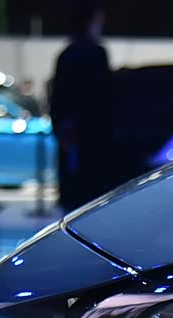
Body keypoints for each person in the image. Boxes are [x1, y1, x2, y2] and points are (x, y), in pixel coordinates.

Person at [48, 0, 114, 211]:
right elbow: (103, 97)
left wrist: (62, 128)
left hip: (71, 138)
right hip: (93, 138)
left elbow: (57, 98)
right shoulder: (97, 53)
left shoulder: (65, 54)